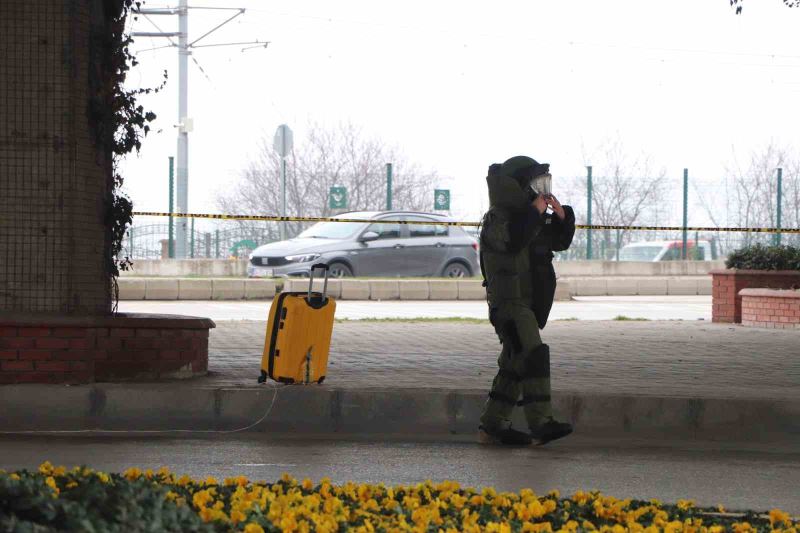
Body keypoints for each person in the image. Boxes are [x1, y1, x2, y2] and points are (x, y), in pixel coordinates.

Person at [477, 155, 576, 446]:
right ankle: (541, 421)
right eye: (535, 183)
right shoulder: (498, 218)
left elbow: (558, 242)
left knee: (515, 362)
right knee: (533, 353)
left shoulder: (529, 218)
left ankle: (492, 426)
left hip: (527, 303)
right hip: (508, 303)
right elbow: (512, 241)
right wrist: (534, 214)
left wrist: (562, 218)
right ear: (518, 186)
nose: (541, 190)